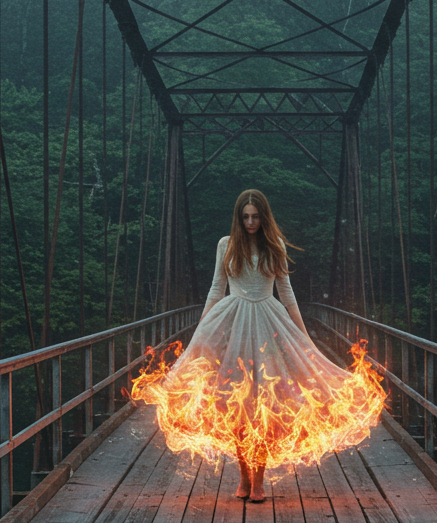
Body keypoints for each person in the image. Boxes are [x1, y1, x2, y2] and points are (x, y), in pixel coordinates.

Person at [132, 189, 385, 502]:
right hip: (233, 323)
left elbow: (287, 294)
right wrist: (200, 335)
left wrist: (305, 340)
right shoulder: (226, 244)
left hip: (268, 323)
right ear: (239, 218)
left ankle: (259, 481)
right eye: (245, 216)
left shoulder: (274, 244)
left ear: (264, 216)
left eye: (255, 216)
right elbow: (215, 290)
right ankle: (242, 477)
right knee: (236, 405)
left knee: (265, 402)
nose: (251, 222)